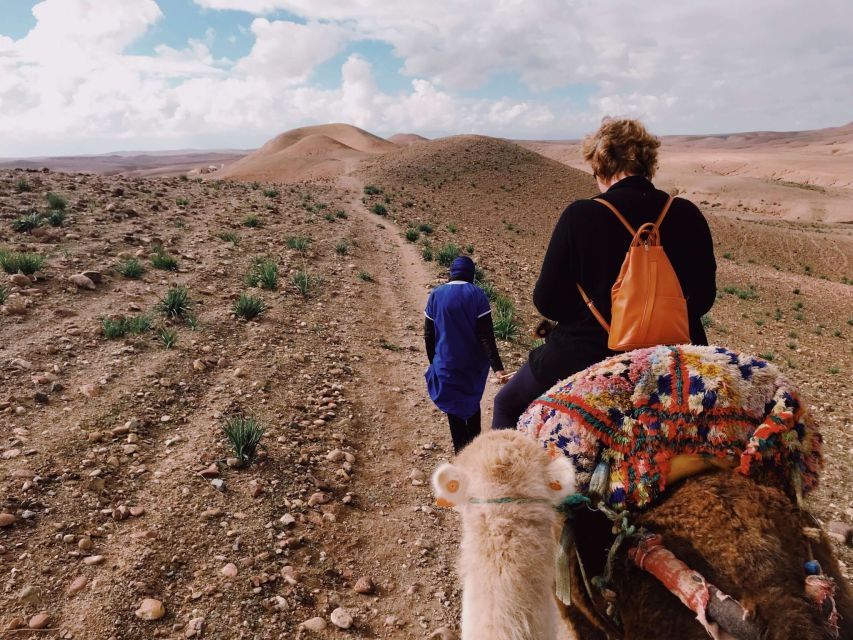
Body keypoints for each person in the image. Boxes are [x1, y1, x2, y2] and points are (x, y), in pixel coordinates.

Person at [492, 117, 717, 429]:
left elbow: (548, 302)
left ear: (600, 164)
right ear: (648, 163)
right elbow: (704, 298)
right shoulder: (688, 214)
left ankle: (502, 478)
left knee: (506, 405)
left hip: (587, 353)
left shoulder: (581, 215)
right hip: (678, 355)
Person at [425, 256, 506, 452]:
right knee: (471, 403)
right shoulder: (477, 295)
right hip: (472, 367)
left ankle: (462, 455)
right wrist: (498, 368)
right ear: (471, 273)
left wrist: (433, 362)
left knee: (454, 410)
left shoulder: (436, 295)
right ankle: (476, 451)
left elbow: (429, 334)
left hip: (446, 363)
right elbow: (486, 336)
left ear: (451, 272)